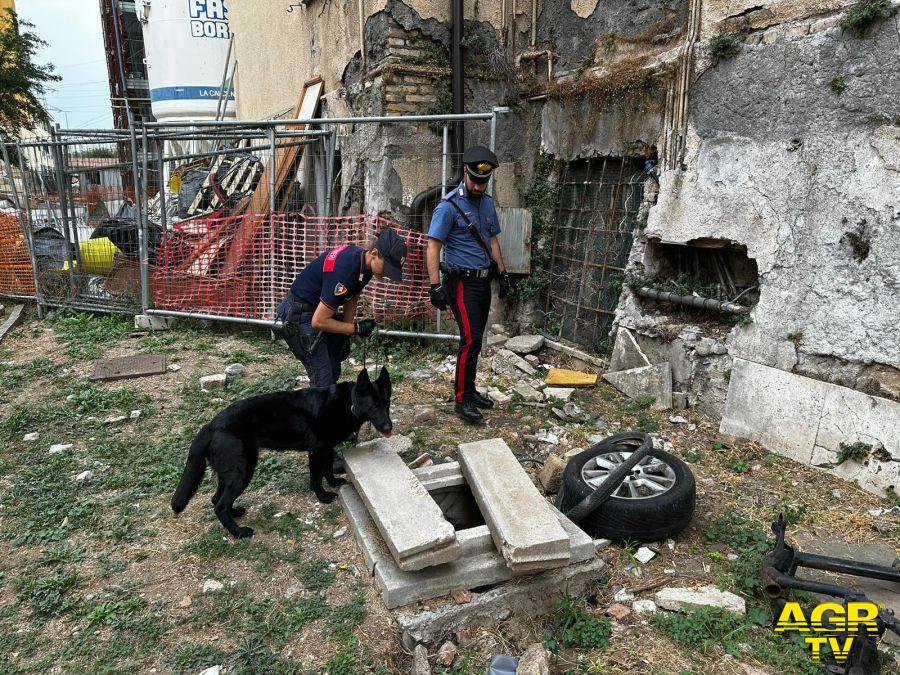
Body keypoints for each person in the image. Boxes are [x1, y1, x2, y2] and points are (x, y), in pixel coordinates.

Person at [426, 146, 511, 424]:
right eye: (474, 179)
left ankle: (470, 391)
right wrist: (435, 285)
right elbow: (433, 246)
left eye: (483, 181)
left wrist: (503, 271)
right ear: (465, 172)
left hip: (482, 282)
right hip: (460, 281)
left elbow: (492, 240)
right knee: (471, 339)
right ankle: (462, 399)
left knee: (475, 339)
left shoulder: (486, 204)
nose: (477, 185)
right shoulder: (448, 207)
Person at [277, 228, 407, 387]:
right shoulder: (345, 271)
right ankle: (317, 410)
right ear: (374, 254)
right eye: (387, 268)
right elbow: (318, 321)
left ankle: (326, 409)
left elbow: (352, 295)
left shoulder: (363, 265)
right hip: (300, 312)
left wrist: (347, 330)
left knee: (333, 369)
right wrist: (355, 328)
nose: (388, 275)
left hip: (316, 310)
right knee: (323, 381)